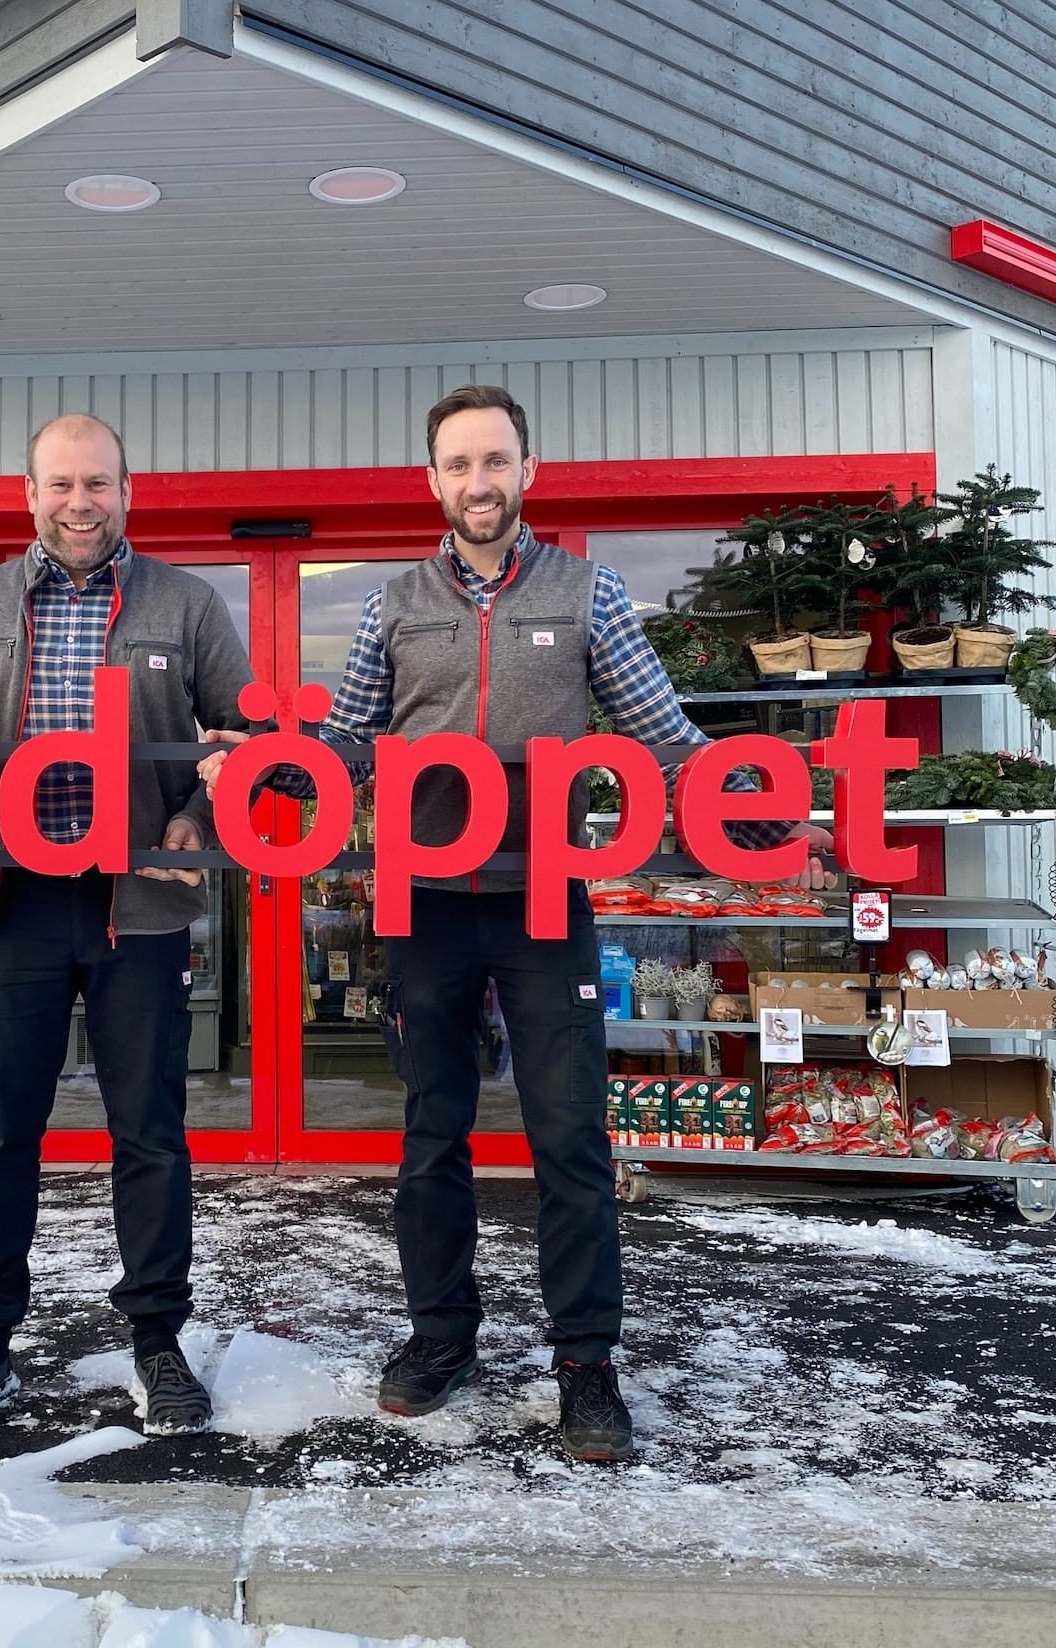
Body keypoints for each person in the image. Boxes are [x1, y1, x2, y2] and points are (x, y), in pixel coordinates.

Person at [202, 385, 831, 1462]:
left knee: (570, 1138)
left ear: (527, 471)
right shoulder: (392, 604)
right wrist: (262, 765)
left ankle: (585, 1364)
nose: (478, 481)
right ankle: (441, 1335)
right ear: (432, 480)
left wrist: (774, 820)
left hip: (546, 899)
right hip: (426, 905)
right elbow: (348, 743)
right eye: (459, 463)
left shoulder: (587, 591)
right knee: (432, 1135)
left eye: (495, 460)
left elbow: (665, 736)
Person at [0, 414, 252, 1436]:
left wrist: (196, 816)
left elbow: (241, 735)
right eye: (60, 484)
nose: (79, 503)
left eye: (97, 483)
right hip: (11, 901)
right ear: (30, 494)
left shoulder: (185, 602)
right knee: (1, 1130)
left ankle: (157, 1343)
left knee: (151, 1132)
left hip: (139, 903)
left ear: (126, 491)